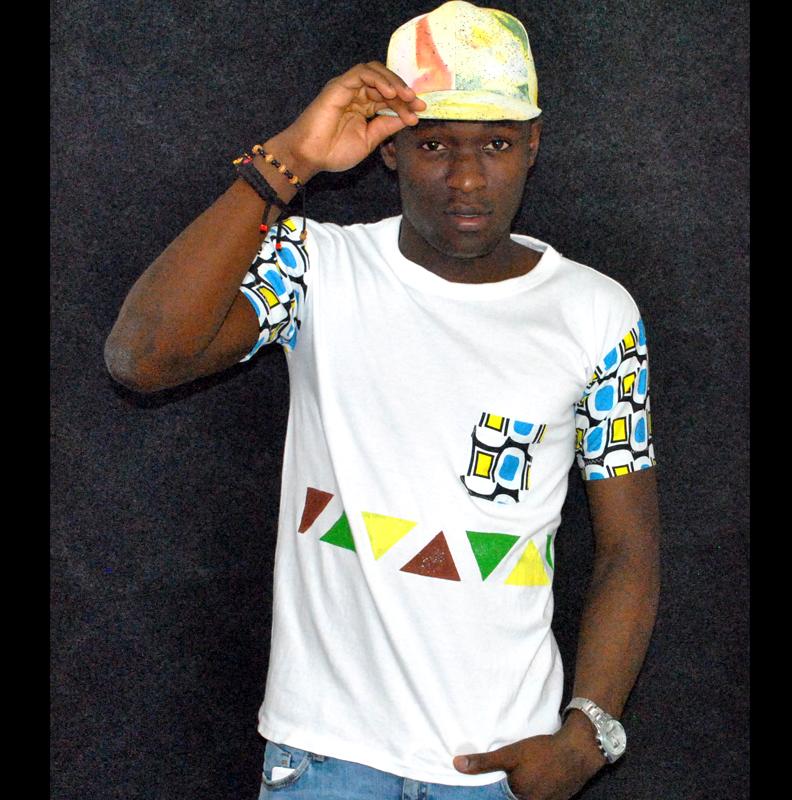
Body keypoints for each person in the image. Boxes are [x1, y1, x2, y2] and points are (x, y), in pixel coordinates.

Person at [104, 2, 660, 798]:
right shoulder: (313, 267)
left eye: (497, 144)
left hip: (499, 767)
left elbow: (629, 548)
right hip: (324, 761)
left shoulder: (597, 315)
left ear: (533, 146)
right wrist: (290, 159)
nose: (466, 178)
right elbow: (142, 358)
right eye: (433, 144)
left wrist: (588, 738)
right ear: (389, 147)